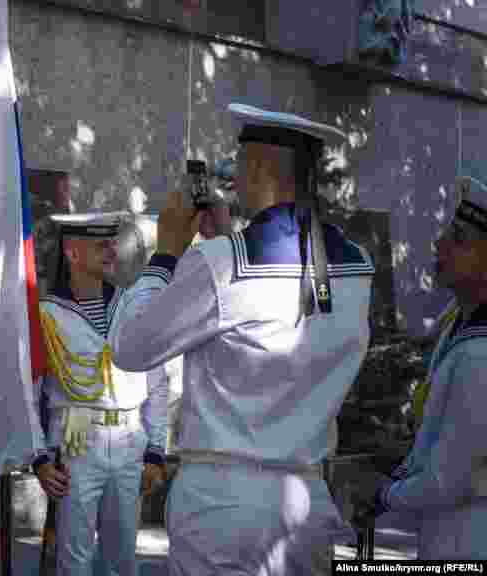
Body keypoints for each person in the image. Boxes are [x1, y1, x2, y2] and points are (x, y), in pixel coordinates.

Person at [109, 103, 376, 575]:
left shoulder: (222, 261)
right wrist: (228, 239)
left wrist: (168, 253)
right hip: (305, 498)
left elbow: (131, 347)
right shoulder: (356, 263)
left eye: (238, 166)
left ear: (259, 169)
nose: (232, 179)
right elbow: (281, 308)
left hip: (223, 502)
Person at [355, 175, 487, 559]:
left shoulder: (479, 352)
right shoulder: (458, 322)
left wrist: (381, 493)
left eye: (459, 239)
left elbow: (450, 479)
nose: (440, 244)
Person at [31, 211, 169, 576]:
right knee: (73, 559)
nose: (111, 250)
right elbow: (29, 396)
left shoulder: (133, 304)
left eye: (112, 242)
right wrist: (39, 458)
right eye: (100, 244)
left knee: (123, 559)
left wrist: (157, 450)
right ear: (72, 253)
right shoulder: (46, 315)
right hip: (77, 444)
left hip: (129, 442)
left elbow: (156, 382)